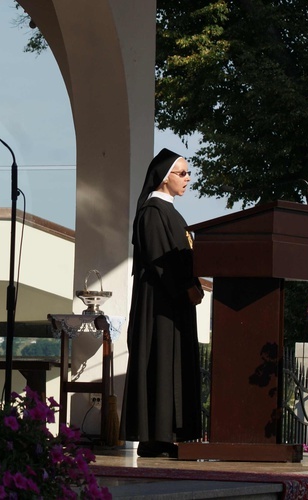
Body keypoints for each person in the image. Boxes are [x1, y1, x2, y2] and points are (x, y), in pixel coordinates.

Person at [120, 148, 204, 458]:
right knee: (160, 363)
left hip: (176, 302)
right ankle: (156, 435)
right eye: (182, 173)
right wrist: (186, 288)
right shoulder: (152, 212)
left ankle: (169, 434)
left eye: (188, 173)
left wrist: (192, 286)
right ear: (164, 177)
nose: (188, 178)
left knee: (173, 364)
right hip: (160, 305)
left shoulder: (172, 212)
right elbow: (159, 260)